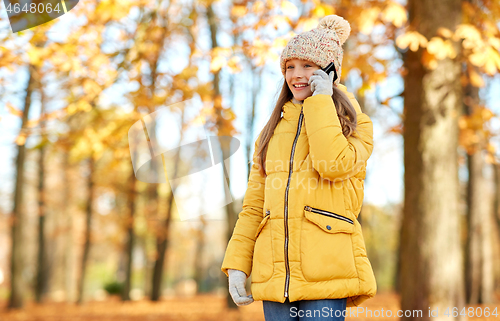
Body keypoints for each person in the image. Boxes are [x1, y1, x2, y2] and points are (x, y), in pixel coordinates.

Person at [221, 14, 376, 320]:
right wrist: (238, 264)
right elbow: (254, 206)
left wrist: (321, 101)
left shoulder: (356, 124)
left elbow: (332, 164)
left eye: (308, 65)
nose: (296, 74)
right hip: (276, 280)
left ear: (330, 72)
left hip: (326, 279)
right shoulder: (270, 132)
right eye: (290, 67)